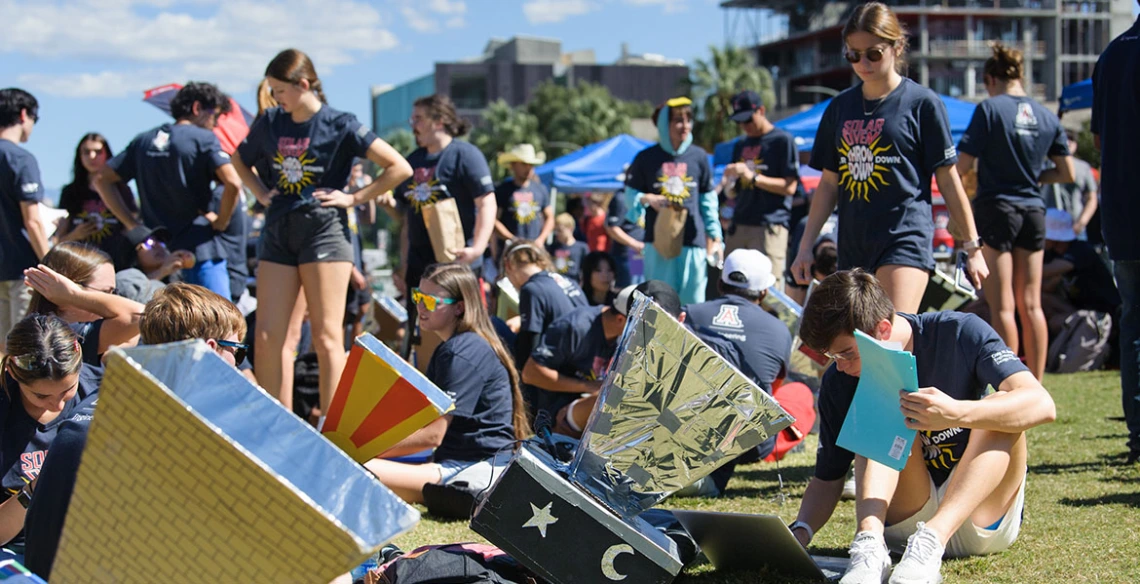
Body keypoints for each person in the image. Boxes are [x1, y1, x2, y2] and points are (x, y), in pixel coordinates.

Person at [789, 270, 1056, 584]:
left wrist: (958, 413)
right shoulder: (840, 380)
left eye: (846, 353)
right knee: (883, 397)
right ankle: (870, 547)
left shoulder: (959, 331)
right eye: (830, 356)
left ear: (883, 329)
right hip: (904, 519)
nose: (840, 367)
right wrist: (800, 531)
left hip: (981, 516)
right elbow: (828, 477)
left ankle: (932, 540)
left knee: (1001, 407)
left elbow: (1042, 404)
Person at [22, 283, 249, 580]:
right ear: (209, 351)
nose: (238, 368)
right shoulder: (158, 435)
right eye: (238, 352)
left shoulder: (107, 408)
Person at [232, 49, 412, 416]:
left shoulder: (341, 122)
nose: (274, 97)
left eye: (279, 90)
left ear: (302, 84)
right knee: (268, 337)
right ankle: (276, 423)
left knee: (329, 337)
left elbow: (399, 167)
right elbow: (238, 159)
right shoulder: (269, 122)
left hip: (325, 233)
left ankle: (333, 435)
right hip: (278, 231)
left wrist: (354, 198)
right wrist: (258, 191)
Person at [790, 2, 988, 315]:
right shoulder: (839, 108)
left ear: (896, 47)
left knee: (891, 334)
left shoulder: (922, 103)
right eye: (853, 54)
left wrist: (972, 247)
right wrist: (805, 248)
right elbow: (829, 184)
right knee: (864, 348)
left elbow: (949, 179)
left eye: (873, 53)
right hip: (854, 242)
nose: (862, 63)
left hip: (905, 236)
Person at [956, 43, 1074, 381]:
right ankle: (1035, 386)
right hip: (1034, 209)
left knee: (1003, 306)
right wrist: (1036, 176)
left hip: (996, 208)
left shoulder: (989, 110)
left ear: (990, 80)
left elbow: (961, 166)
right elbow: (1065, 172)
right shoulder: (1047, 115)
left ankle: (1011, 386)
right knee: (1032, 304)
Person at [364, 263, 530, 503]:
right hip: (470, 462)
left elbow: (432, 435)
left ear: (459, 308)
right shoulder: (458, 345)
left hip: (470, 469)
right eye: (418, 296)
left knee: (353, 467)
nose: (420, 306)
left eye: (430, 300)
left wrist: (367, 448)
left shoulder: (460, 352)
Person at [94, 82, 243, 300]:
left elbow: (101, 179)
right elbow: (233, 182)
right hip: (200, 251)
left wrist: (132, 224)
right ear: (197, 108)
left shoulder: (143, 140)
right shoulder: (204, 139)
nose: (216, 125)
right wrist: (221, 221)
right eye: (215, 116)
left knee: (165, 329)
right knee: (220, 323)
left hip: (158, 256)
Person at [681, 249, 792, 495]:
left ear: (720, 283)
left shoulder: (687, 313)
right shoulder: (779, 329)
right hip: (747, 441)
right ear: (764, 292)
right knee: (799, 395)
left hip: (683, 422)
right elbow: (772, 392)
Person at [0, 314, 100, 562]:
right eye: (40, 396)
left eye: (67, 390)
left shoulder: (104, 390)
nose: (55, 405)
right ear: (12, 372)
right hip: (18, 549)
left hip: (95, 540)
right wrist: (38, 487)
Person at [1091, 5, 1140, 465]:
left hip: (1123, 213)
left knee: (1132, 325)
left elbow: (1100, 139)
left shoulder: (1109, 57)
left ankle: (1138, 435)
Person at [625, 97, 722, 305]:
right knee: (659, 304)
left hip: (693, 242)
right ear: (664, 124)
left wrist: (714, 234)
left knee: (692, 304)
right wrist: (646, 198)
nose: (685, 125)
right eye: (678, 120)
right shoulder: (646, 158)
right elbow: (630, 194)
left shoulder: (699, 156)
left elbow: (708, 199)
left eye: (688, 119)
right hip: (659, 242)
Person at [398, 94, 496, 299]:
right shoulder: (412, 161)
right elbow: (404, 217)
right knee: (419, 329)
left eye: (418, 119)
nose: (413, 125)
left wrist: (477, 249)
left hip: (457, 263)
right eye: (412, 119)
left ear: (439, 121)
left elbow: (487, 202)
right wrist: (403, 265)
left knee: (461, 327)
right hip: (419, 267)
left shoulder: (465, 155)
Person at [723, 90, 800, 291]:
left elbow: (790, 187)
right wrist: (730, 182)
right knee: (732, 287)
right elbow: (736, 191)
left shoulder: (782, 140)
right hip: (740, 224)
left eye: (748, 119)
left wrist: (753, 177)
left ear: (762, 111)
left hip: (769, 226)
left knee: (769, 290)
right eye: (740, 121)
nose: (744, 126)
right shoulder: (741, 144)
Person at [24, 242, 144, 367]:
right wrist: (74, 295)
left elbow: (132, 330)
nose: (111, 299)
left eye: (113, 292)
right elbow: (139, 315)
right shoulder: (57, 339)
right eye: (105, 292)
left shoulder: (38, 326)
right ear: (62, 292)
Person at [0, 88, 50, 351]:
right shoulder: (20, 159)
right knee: (24, 350)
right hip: (23, 270)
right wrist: (52, 265)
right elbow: (32, 222)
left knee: (4, 350)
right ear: (23, 114)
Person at [56, 133, 137, 256]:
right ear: (79, 156)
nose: (92, 156)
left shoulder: (122, 190)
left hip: (117, 262)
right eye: (86, 152)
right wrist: (75, 235)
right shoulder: (70, 192)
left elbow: (133, 229)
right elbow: (57, 242)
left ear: (107, 155)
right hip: (79, 262)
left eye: (98, 152)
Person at [494, 144, 553, 254]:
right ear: (513, 165)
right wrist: (512, 239)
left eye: (531, 164)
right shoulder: (502, 190)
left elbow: (550, 217)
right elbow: (493, 220)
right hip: (510, 250)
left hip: (535, 248)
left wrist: (541, 239)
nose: (528, 168)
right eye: (524, 164)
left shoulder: (540, 189)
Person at [1044, 129, 1098, 241]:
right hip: (1048, 228)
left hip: (1074, 226)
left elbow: (1092, 199)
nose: (1067, 143)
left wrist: (1081, 223)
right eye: (1064, 140)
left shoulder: (1083, 168)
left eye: (1071, 140)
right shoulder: (1044, 165)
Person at [547, 213, 589, 281]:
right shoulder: (552, 248)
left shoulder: (582, 248)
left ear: (570, 229)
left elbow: (586, 270)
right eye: (555, 230)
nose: (557, 233)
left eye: (560, 230)